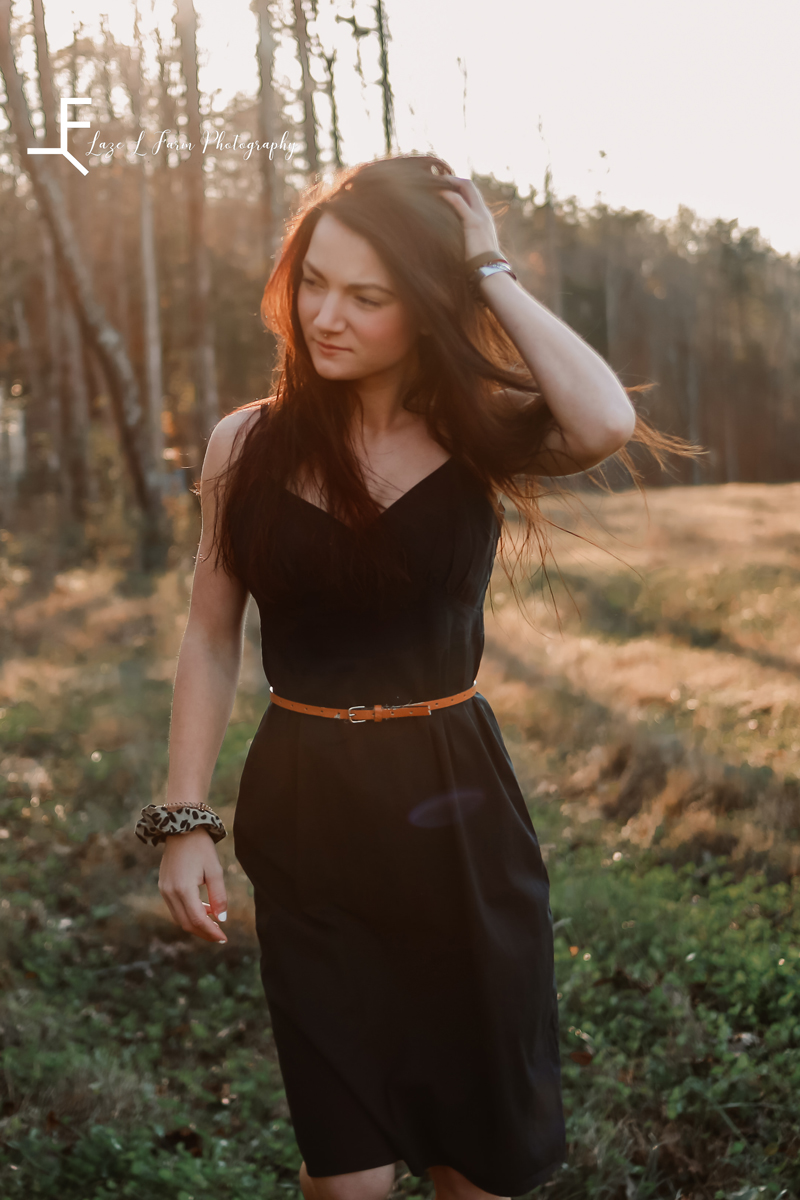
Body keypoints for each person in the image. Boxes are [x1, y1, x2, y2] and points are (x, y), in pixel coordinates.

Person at [150, 153, 645, 1200]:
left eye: (366, 297)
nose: (323, 316)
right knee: (347, 1179)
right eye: (312, 281)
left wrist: (488, 270)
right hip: (305, 807)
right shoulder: (245, 443)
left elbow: (602, 423)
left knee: (478, 1170)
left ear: (424, 308)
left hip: (454, 810)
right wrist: (183, 818)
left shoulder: (475, 433)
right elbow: (208, 634)